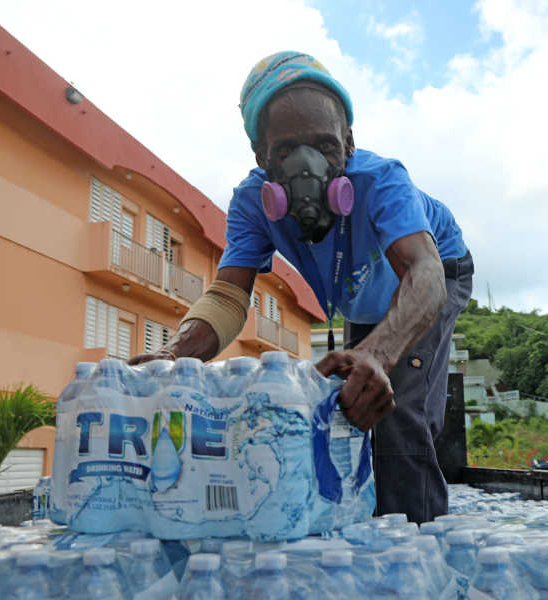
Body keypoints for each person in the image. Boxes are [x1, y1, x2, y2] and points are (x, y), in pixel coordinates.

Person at [130, 51, 473, 523]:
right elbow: (229, 296)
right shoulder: (252, 203)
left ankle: (415, 547)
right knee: (350, 400)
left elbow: (425, 275)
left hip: (432, 270)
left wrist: (379, 353)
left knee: (395, 406)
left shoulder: (382, 181)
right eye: (287, 150)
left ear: (348, 145)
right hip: (363, 295)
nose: (306, 165)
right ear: (261, 155)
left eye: (324, 146)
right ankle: (353, 519)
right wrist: (172, 355)